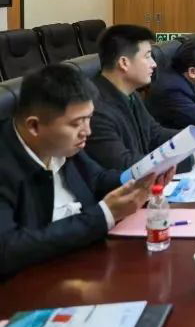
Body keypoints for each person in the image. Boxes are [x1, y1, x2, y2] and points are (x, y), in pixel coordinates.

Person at [0, 65, 174, 277]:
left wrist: (142, 178)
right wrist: (105, 215)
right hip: (35, 280)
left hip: (83, 260)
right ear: (34, 126)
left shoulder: (63, 144)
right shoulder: (6, 164)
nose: (87, 131)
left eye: (88, 118)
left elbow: (98, 179)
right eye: (76, 124)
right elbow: (8, 249)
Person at [86, 25, 195, 172]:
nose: (154, 64)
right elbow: (124, 164)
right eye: (147, 56)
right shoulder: (95, 109)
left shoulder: (130, 93)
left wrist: (194, 137)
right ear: (124, 63)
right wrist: (190, 160)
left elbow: (153, 133)